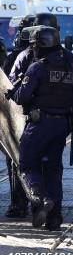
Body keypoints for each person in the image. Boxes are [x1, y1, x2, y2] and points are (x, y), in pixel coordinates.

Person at [14, 27, 73, 230]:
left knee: (27, 163)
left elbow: (22, 97)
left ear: (40, 46)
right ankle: (54, 218)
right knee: (54, 169)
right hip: (62, 124)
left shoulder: (37, 67)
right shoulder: (69, 65)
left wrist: (17, 89)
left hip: (39, 124)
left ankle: (38, 196)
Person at [2, 16, 36, 218]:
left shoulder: (16, 56)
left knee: (16, 162)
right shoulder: (62, 56)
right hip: (46, 118)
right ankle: (43, 204)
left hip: (16, 118)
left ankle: (19, 204)